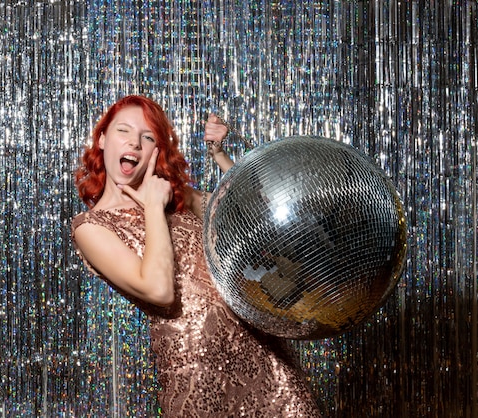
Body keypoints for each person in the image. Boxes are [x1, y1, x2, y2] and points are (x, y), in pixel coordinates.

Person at [71, 95, 321, 417]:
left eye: (148, 137)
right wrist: (151, 208)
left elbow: (255, 217)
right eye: (123, 131)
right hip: (197, 373)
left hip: (263, 354)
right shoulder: (90, 227)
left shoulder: (177, 197)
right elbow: (159, 291)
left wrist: (220, 156)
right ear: (103, 139)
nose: (134, 142)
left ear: (155, 151)